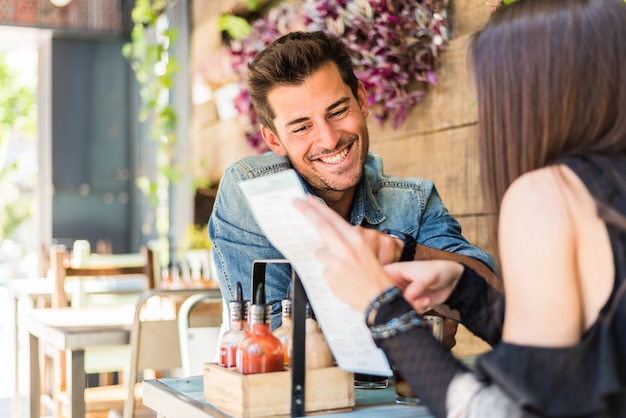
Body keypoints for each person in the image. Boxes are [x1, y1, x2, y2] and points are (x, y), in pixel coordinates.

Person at [295, 0, 626, 416]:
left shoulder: (550, 193)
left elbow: (506, 412)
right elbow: (577, 361)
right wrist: (464, 291)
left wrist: (381, 308)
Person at [208, 30, 498, 332]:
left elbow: (494, 299)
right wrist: (409, 325)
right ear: (273, 140)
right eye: (302, 127)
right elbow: (274, 341)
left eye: (337, 111)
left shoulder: (413, 201)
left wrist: (403, 251)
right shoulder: (251, 192)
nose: (330, 139)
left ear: (361, 100)